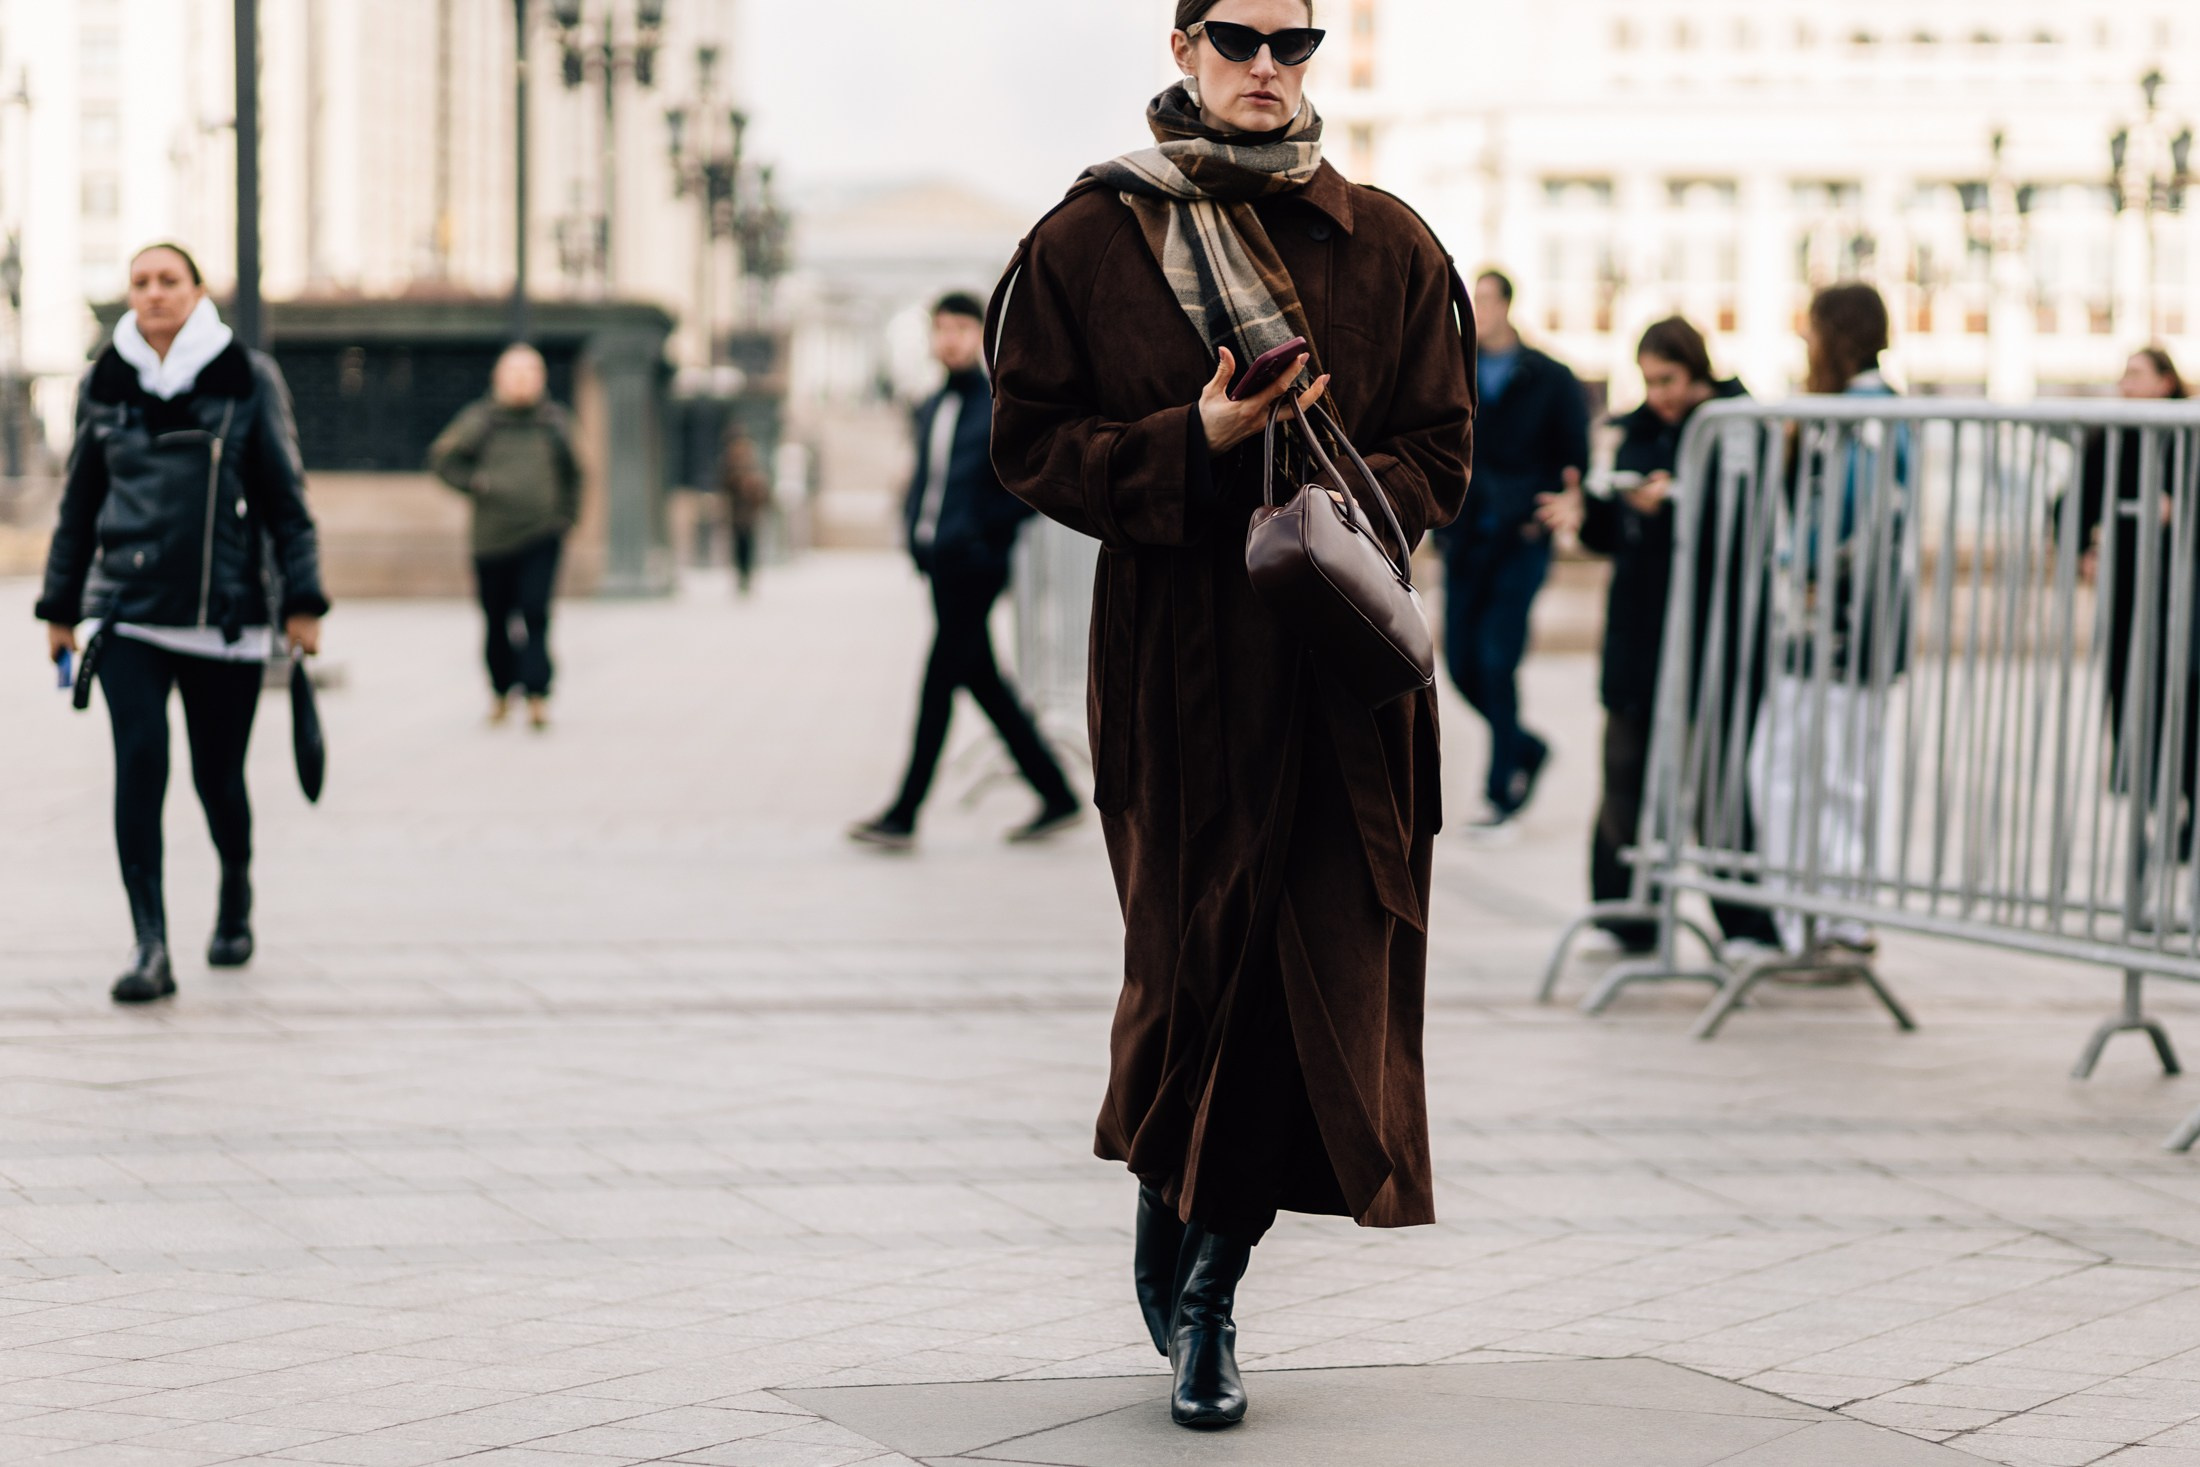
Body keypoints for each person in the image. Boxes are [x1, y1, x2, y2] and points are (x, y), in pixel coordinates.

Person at [986, 0, 1473, 1430]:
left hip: (1336, 674)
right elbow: (1028, 444)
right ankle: (1169, 1178)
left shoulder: (1388, 240)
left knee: (1307, 971)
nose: (1271, 66)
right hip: (1178, 673)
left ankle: (1211, 1291)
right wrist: (1191, 448)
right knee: (1189, 969)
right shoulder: (1089, 241)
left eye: (1299, 42)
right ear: (1184, 42)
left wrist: (1333, 501)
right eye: (1243, 37)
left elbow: (1442, 445)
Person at [37, 243, 327, 1004]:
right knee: (140, 765)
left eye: (170, 281)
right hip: (127, 613)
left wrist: (303, 601)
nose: (155, 294)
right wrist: (60, 608)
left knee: (217, 777)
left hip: (222, 613)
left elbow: (285, 497)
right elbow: (79, 502)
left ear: (198, 292)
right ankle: (150, 943)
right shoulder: (106, 379)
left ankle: (235, 886)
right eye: (141, 283)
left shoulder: (246, 376)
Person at [1554, 317, 1785, 955]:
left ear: (1697, 370)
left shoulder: (1738, 423)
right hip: (1641, 631)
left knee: (1717, 779)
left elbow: (1749, 522)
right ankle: (1626, 915)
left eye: (1669, 380)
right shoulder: (1633, 430)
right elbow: (1610, 535)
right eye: (1650, 381)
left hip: (1718, 632)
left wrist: (1677, 505)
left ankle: (1745, 923)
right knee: (1625, 772)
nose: (1660, 393)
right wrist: (1590, 510)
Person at [847, 293, 1083, 851]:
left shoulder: (998, 406)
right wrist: (916, 536)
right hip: (938, 566)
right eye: (941, 328)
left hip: (974, 566)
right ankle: (1056, 794)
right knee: (982, 683)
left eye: (960, 328)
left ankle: (904, 812)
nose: (948, 338)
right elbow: (924, 484)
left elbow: (1026, 484)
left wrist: (982, 535)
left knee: (937, 684)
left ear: (979, 335)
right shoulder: (930, 407)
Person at [1748, 282, 1909, 958]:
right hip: (1862, 615)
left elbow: (1845, 506)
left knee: (1792, 766)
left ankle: (1801, 913)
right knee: (1844, 766)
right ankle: (1837, 908)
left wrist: (1803, 565)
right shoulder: (1878, 407)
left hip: (1830, 614)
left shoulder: (1858, 410)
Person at [1441, 269, 1588, 831]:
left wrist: (1550, 506)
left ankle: (1501, 789)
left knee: (1498, 661)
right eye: (1471, 300)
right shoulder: (1454, 370)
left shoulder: (1550, 376)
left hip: (1522, 538)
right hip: (1466, 536)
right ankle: (1526, 746)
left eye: (1485, 299)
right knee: (1459, 663)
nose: (1477, 309)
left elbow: (1573, 457)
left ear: (1507, 304)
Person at [2065, 347, 2194, 857]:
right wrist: (2081, 550)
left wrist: (2179, 508)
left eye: (2137, 374)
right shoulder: (2112, 437)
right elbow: (2071, 500)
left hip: (2181, 595)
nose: (2126, 384)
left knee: (2182, 701)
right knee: (2132, 696)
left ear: (2166, 382)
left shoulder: (2190, 434)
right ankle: (2146, 807)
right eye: (2123, 374)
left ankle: (2185, 810)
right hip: (2128, 593)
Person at [428, 344, 580, 731]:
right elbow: (444, 459)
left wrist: (565, 518)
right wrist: (475, 483)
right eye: (515, 373)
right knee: (497, 619)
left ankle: (537, 694)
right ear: (499, 378)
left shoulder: (554, 422)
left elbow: (575, 473)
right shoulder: (480, 420)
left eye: (531, 372)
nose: (522, 381)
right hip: (491, 539)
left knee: (535, 613)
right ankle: (500, 691)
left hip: (542, 535)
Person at [720, 425, 771, 596]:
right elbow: (724, 485)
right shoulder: (730, 463)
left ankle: (746, 576)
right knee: (739, 545)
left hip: (748, 513)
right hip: (736, 512)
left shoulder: (751, 464)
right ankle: (741, 576)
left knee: (748, 544)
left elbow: (762, 489)